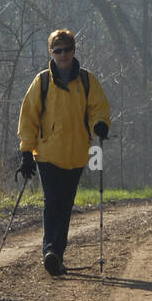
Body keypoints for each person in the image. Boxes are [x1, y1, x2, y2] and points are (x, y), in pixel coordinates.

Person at [16, 29, 111, 277]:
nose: (63, 54)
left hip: (77, 154)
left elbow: (98, 108)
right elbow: (29, 118)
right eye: (58, 50)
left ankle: (56, 254)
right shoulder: (42, 81)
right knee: (53, 202)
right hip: (47, 154)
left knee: (65, 204)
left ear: (73, 51)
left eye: (67, 49)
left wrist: (99, 124)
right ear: (51, 53)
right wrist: (26, 152)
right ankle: (52, 251)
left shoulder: (87, 81)